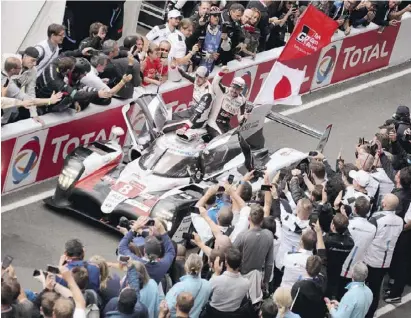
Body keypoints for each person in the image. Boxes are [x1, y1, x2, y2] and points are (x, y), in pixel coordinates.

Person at [363, 193, 404, 318]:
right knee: (376, 289)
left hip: (371, 258)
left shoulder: (376, 218)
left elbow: (367, 236)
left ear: (384, 204)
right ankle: (371, 313)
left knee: (364, 287)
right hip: (386, 261)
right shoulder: (400, 221)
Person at [35, 57, 111, 114]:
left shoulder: (57, 62)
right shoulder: (57, 81)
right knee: (70, 99)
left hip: (47, 92)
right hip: (41, 102)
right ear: (71, 71)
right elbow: (75, 94)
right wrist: (97, 93)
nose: (85, 75)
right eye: (83, 73)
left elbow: (69, 54)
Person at [117, 216, 176, 285]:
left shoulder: (137, 262)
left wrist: (132, 229)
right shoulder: (163, 265)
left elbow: (122, 247)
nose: (148, 231)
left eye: (150, 230)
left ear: (144, 250)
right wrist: (161, 229)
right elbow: (171, 251)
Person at [234, 204, 274, 302]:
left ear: (249, 218)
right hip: (258, 278)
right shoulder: (269, 235)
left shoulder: (242, 236)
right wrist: (266, 281)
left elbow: (232, 255)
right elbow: (269, 263)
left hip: (242, 277)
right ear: (262, 221)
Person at [340, 197, 376, 298]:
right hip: (357, 267)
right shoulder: (373, 228)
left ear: (355, 209)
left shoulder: (349, 224)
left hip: (343, 264)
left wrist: (344, 218)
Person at [291, 220, 327, 318]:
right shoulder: (323, 278)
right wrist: (319, 233)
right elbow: (322, 253)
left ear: (306, 268)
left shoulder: (299, 286)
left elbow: (294, 307)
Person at [205, 248, 250, 316]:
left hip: (213, 313)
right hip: (233, 314)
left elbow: (206, 293)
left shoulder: (215, 280)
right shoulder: (246, 283)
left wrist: (216, 273)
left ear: (226, 263)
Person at [207, 65, 247, 138]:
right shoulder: (223, 91)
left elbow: (240, 119)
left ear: (241, 90)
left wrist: (245, 117)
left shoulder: (242, 100)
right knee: (221, 140)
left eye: (237, 89)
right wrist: (221, 73)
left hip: (226, 125)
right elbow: (214, 84)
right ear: (231, 85)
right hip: (213, 122)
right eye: (234, 87)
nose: (234, 91)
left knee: (239, 139)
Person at [323, 214, 354, 300]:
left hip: (326, 269)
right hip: (338, 270)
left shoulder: (327, 240)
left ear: (332, 226)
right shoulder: (350, 243)